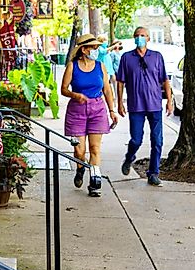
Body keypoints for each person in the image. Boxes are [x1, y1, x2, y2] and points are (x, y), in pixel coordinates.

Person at [61, 33, 119, 197]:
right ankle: (80, 169)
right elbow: (64, 89)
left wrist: (112, 110)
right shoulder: (73, 66)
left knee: (95, 148)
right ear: (84, 49)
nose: (96, 50)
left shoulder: (101, 66)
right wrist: (76, 95)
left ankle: (95, 181)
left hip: (97, 109)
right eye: (93, 47)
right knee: (80, 151)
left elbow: (107, 89)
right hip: (77, 110)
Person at [117, 27, 174, 186]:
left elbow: (165, 80)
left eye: (142, 36)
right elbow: (120, 81)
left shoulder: (156, 57)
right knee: (136, 139)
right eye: (137, 36)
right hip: (136, 105)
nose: (139, 38)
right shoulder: (127, 58)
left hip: (155, 104)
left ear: (148, 38)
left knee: (157, 140)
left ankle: (153, 173)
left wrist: (169, 101)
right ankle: (129, 157)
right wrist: (120, 102)